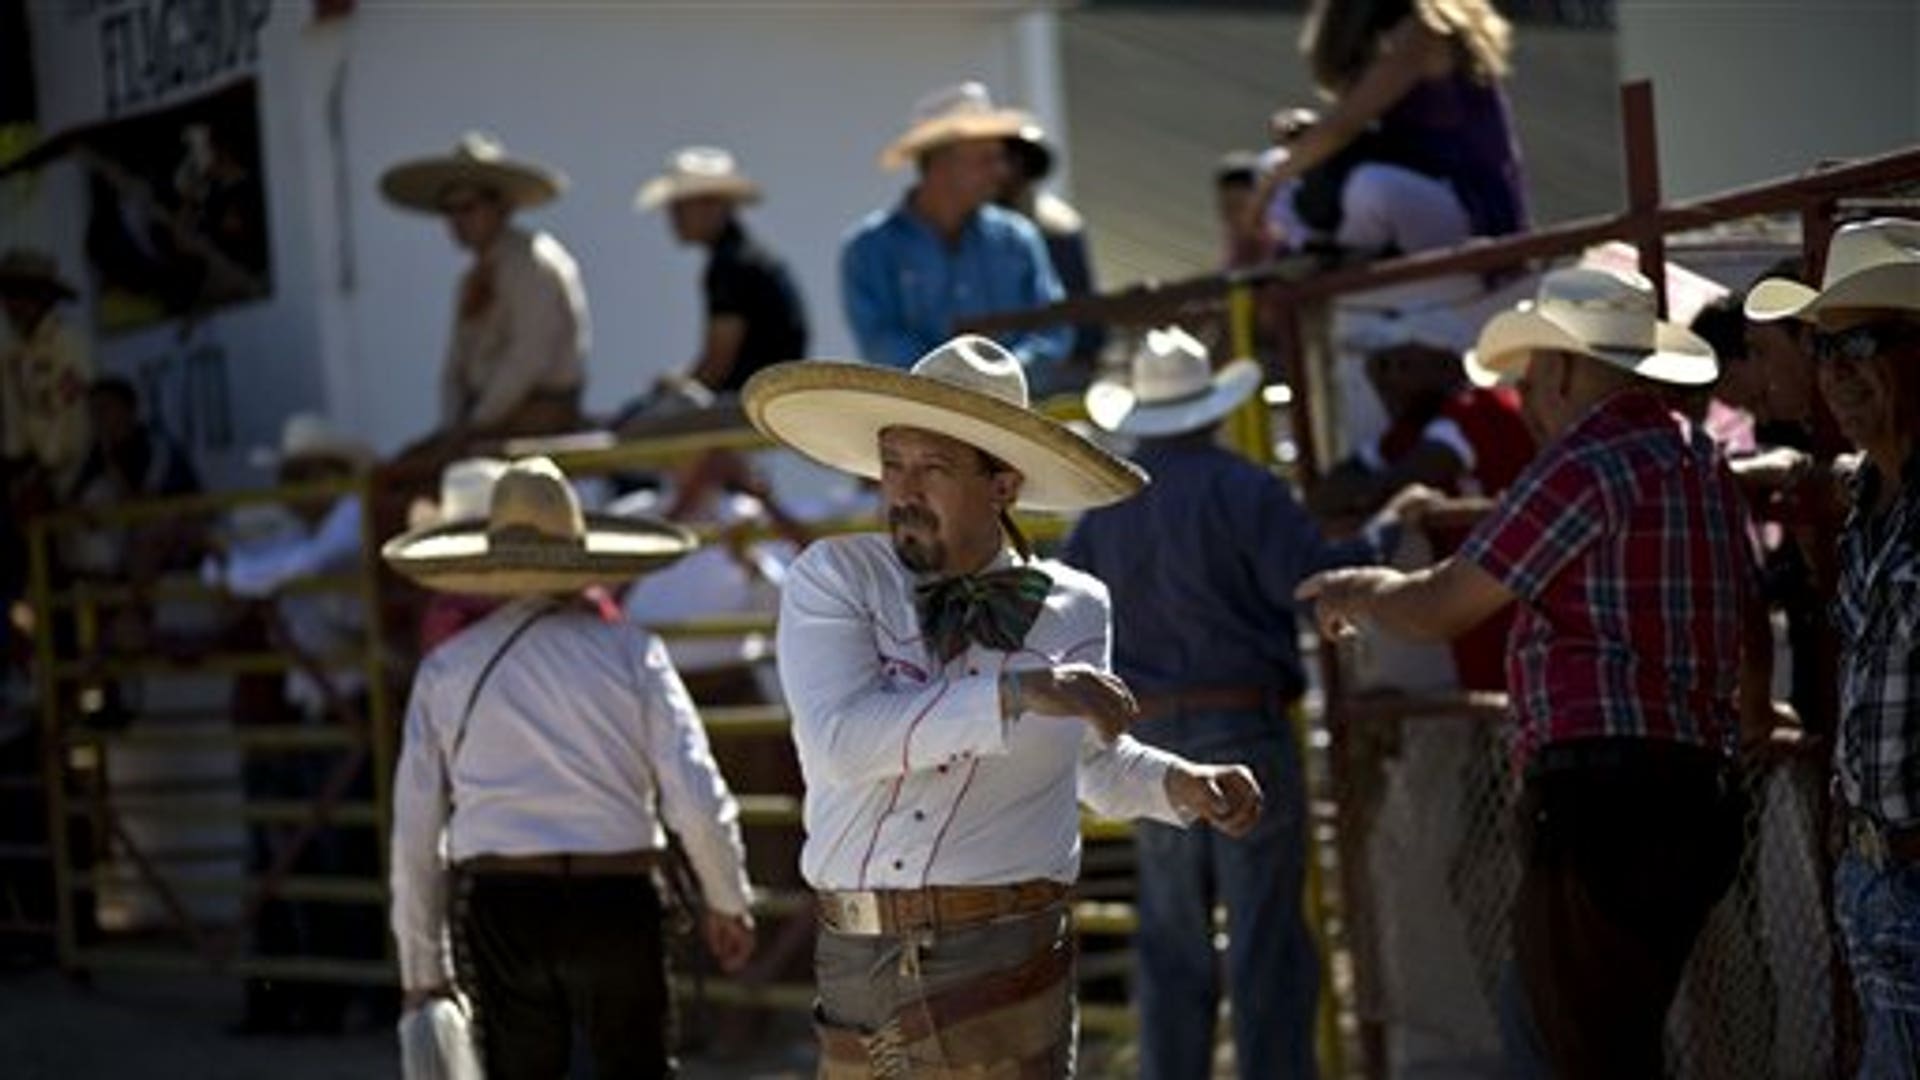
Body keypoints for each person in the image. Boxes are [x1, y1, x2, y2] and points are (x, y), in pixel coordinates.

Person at [742, 335, 1264, 1076]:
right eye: (892, 464)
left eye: (934, 468)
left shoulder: (1076, 607)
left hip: (1007, 951)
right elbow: (840, 741)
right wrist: (1020, 691)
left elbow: (1093, 763)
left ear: (1004, 485)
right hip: (864, 953)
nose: (902, 489)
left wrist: (1181, 783)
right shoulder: (836, 577)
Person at [1296, 266, 1770, 1079]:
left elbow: (1446, 602)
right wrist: (1752, 724)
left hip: (1604, 802)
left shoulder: (1587, 459)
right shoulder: (1696, 457)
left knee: (1569, 1046)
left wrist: (1360, 592)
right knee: (1593, 1029)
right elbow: (1750, 623)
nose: (1525, 399)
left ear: (1557, 368)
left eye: (1529, 378)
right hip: (1696, 788)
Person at [1064, 326, 1413, 1080]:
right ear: (1212, 409)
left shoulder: (1102, 513)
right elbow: (1311, 580)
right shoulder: (1244, 486)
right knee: (1266, 939)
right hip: (1242, 723)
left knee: (1171, 938)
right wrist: (1392, 527)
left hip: (1146, 742)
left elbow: (1064, 613)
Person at [385, 456, 756, 1077]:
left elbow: (416, 832)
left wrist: (424, 972)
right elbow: (692, 789)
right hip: (619, 898)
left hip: (503, 903)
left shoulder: (447, 668)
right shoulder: (633, 652)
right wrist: (728, 897)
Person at [1746, 217, 1920, 1076]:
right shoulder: (1871, 503)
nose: (1837, 372)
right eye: (1823, 347)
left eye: (1865, 341)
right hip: (1877, 878)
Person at [207, 412, 383, 1034]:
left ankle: (350, 994)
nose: (302, 486)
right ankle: (319, 996)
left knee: (339, 858)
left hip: (343, 715)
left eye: (313, 473)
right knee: (314, 859)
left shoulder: (344, 526)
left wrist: (235, 570)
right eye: (295, 475)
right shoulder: (308, 535)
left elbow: (286, 569)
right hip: (319, 714)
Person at [1251, 0, 1528, 248]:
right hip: (1414, 176)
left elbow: (1343, 127)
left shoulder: (1423, 30)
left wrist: (1267, 189)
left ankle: (1339, 261)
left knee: (1371, 186)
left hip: (1466, 201)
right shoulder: (1378, 38)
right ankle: (1313, 251)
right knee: (1272, 161)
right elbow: (1358, 130)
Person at [841, 83, 1070, 381]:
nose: (1000, 171)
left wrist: (1002, 378)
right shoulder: (870, 248)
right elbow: (880, 341)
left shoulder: (1017, 239)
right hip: (921, 416)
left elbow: (1053, 329)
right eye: (985, 159)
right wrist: (955, 384)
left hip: (1014, 412)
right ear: (940, 164)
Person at [382, 133, 590, 451]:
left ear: (501, 207)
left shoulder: (532, 263)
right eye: (448, 210)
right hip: (483, 421)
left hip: (534, 418)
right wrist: (453, 425)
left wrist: (475, 425)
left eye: (467, 208)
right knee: (403, 469)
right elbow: (455, 366)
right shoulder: (470, 280)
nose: (456, 221)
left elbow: (527, 358)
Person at [635, 146, 809, 401]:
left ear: (713, 206)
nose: (673, 218)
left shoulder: (731, 266)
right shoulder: (746, 256)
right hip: (771, 398)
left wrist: (676, 386)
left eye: (681, 207)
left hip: (748, 405)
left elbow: (716, 367)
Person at [998, 124, 1103, 390]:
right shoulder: (975, 228)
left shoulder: (1058, 226)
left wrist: (1082, 357)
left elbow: (1080, 301)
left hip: (1051, 365)